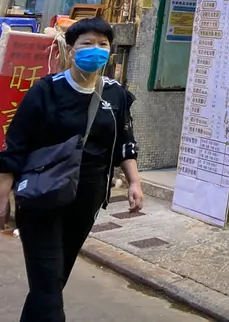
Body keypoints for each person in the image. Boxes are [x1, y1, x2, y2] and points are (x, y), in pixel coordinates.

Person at [0, 17, 142, 322]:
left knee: (52, 281)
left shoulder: (115, 94)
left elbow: (124, 140)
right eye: (87, 43)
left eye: (102, 44)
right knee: (48, 286)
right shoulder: (46, 91)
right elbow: (15, 145)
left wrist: (134, 182)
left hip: (86, 199)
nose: (96, 50)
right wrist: (2, 195)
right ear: (70, 49)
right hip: (42, 196)